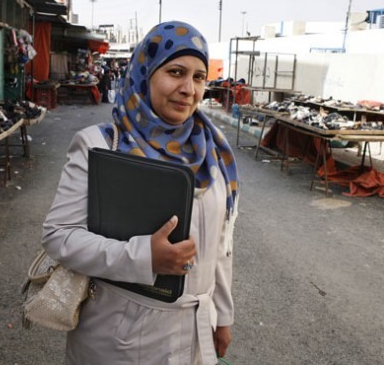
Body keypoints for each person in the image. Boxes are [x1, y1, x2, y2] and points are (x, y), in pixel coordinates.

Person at [42, 20, 240, 364]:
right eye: (176, 72)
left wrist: (222, 316)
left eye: (198, 77)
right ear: (145, 73)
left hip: (194, 331)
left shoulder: (213, 154)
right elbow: (60, 236)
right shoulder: (100, 144)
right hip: (120, 339)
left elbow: (221, 246)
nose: (188, 89)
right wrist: (144, 257)